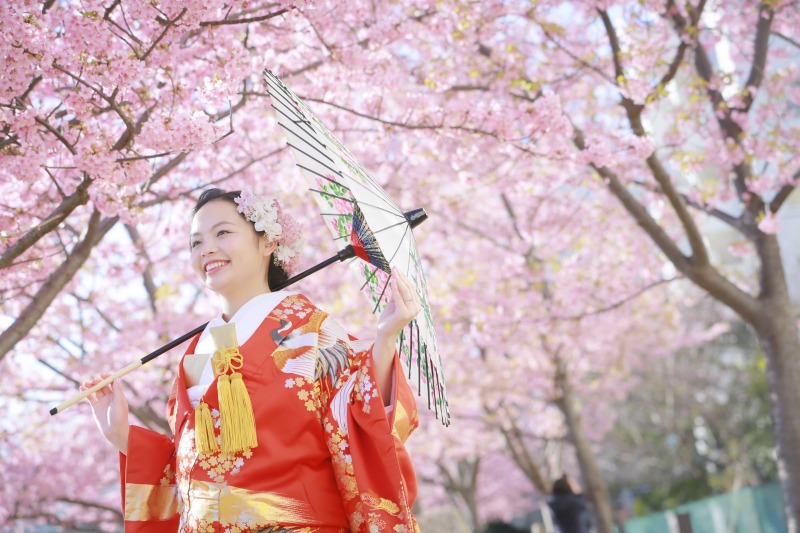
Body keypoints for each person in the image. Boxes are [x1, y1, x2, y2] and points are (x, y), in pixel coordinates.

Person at [81, 188, 422, 532]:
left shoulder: (308, 328)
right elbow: (193, 471)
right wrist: (123, 436)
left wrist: (386, 337)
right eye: (195, 242)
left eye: (223, 233)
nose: (207, 249)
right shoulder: (195, 352)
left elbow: (359, 411)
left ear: (268, 243)